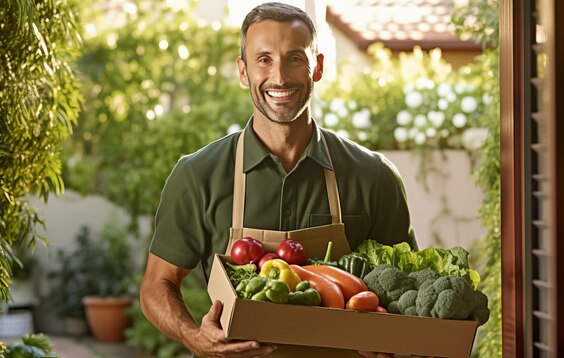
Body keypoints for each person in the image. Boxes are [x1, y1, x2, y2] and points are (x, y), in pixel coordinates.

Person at [140, 2, 417, 357]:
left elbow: (408, 288)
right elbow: (156, 285)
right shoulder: (198, 175)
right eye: (264, 59)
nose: (280, 77)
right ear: (243, 72)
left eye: (294, 58)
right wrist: (194, 336)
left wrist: (391, 335)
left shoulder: (373, 175)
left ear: (317, 68)